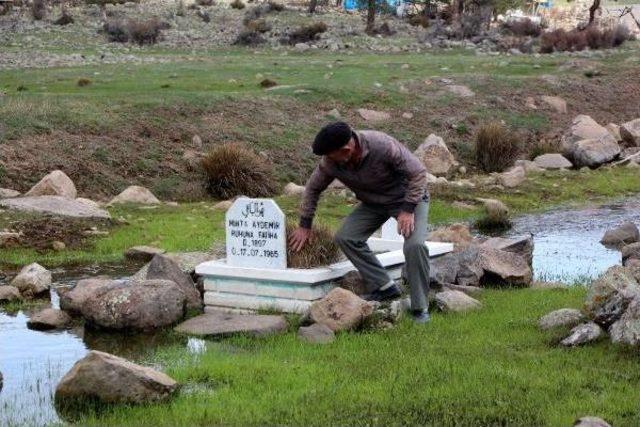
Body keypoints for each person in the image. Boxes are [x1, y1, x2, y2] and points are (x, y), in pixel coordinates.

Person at [289, 122, 432, 323]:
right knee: (346, 237)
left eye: (330, 155)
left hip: (408, 199)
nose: (327, 160)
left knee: (415, 245)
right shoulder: (331, 162)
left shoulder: (382, 146)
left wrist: (408, 210)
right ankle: (385, 287)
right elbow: (312, 188)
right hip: (374, 203)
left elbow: (418, 173)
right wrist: (305, 225)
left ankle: (420, 307)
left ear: (346, 150)